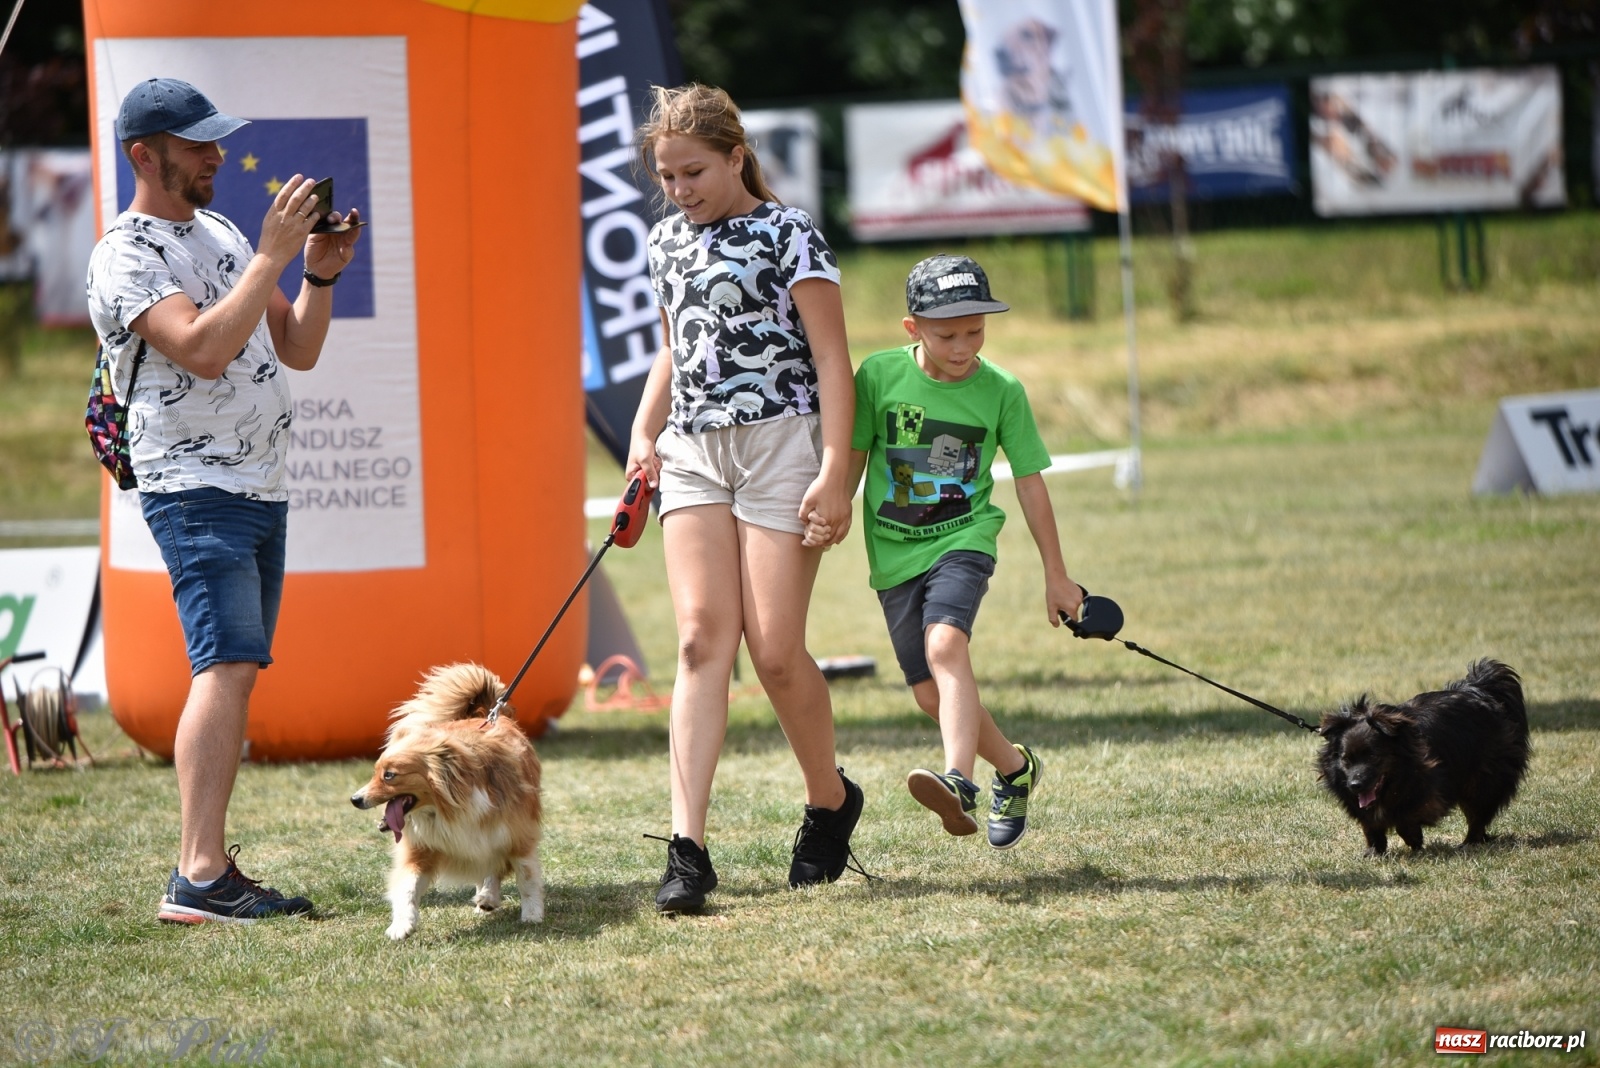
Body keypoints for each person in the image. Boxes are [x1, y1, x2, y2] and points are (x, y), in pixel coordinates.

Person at [85, 78, 362, 923]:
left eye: (216, 141)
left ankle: (205, 871)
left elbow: (299, 346)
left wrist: (316, 274)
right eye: (198, 143)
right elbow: (201, 351)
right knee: (226, 662)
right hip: (191, 485)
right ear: (145, 154)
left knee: (236, 667)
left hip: (258, 484)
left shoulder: (222, 231)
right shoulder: (124, 252)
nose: (215, 156)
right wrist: (273, 258)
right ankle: (199, 875)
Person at [625, 83, 866, 914]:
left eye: (693, 171)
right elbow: (673, 346)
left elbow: (833, 361)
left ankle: (830, 802)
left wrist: (836, 472)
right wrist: (642, 434)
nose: (679, 189)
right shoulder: (662, 242)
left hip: (781, 446)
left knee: (774, 654)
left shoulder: (789, 231)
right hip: (692, 450)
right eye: (666, 176)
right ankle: (687, 851)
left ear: (735, 156)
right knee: (699, 645)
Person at [829, 253, 1083, 849]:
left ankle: (959, 782)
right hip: (893, 554)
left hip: (964, 539)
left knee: (947, 643)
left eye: (976, 330)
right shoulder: (879, 377)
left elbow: (1029, 481)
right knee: (927, 693)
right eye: (947, 333)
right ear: (912, 328)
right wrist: (836, 504)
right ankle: (1015, 769)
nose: (964, 345)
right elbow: (858, 454)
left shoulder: (1002, 391)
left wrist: (1057, 575)